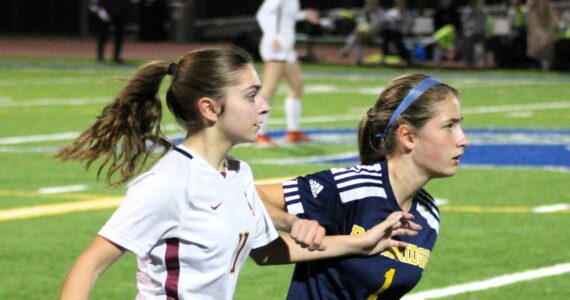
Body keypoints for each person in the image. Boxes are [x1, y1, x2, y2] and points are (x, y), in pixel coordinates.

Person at [57, 46, 422, 299]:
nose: (264, 107)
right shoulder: (169, 184)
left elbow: (267, 252)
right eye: (251, 96)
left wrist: (361, 242)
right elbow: (89, 265)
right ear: (210, 108)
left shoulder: (237, 174)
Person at [257, 73, 470, 299]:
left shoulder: (428, 215)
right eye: (449, 126)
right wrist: (291, 222)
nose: (463, 139)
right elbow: (250, 197)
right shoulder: (353, 189)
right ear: (408, 136)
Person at [255, 0, 320, 146]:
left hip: (287, 47)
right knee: (269, 89)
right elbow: (262, 14)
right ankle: (259, 134)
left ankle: (293, 132)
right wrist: (273, 37)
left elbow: (287, 16)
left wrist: (304, 14)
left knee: (297, 86)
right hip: (276, 46)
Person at [338, 0, 384, 65]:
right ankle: (357, 60)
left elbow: (379, 26)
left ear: (376, 3)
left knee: (357, 35)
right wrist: (361, 30)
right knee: (358, 36)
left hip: (377, 34)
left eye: (372, 2)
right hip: (363, 34)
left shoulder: (380, 12)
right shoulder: (365, 11)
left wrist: (368, 31)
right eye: (369, 3)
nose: (371, 4)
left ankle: (346, 50)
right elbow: (360, 22)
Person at [526, 0, 559, 70]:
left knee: (546, 53)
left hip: (546, 33)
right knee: (536, 52)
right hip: (537, 32)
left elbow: (554, 19)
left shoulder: (548, 6)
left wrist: (552, 29)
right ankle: (539, 66)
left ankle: (545, 67)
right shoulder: (532, 8)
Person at [378, 0, 414, 66]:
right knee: (390, 35)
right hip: (391, 34)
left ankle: (385, 57)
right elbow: (384, 23)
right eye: (399, 3)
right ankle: (405, 59)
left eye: (402, 3)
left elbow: (409, 25)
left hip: (403, 33)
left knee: (396, 36)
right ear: (396, 3)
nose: (401, 4)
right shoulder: (390, 12)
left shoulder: (408, 13)